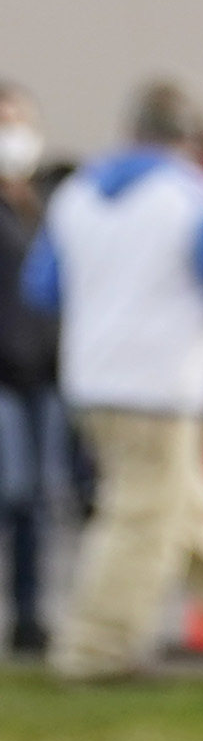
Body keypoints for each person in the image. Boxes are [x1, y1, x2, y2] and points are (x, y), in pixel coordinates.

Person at [21, 81, 203, 679]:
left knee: (186, 508)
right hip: (165, 381)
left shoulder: (77, 194)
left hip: (92, 378)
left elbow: (41, 288)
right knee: (141, 517)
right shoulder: (193, 194)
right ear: (188, 138)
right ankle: (94, 650)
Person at [0, 139, 54, 659]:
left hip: (41, 375)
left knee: (35, 503)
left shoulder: (38, 208)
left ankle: (29, 617)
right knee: (11, 492)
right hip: (5, 377)